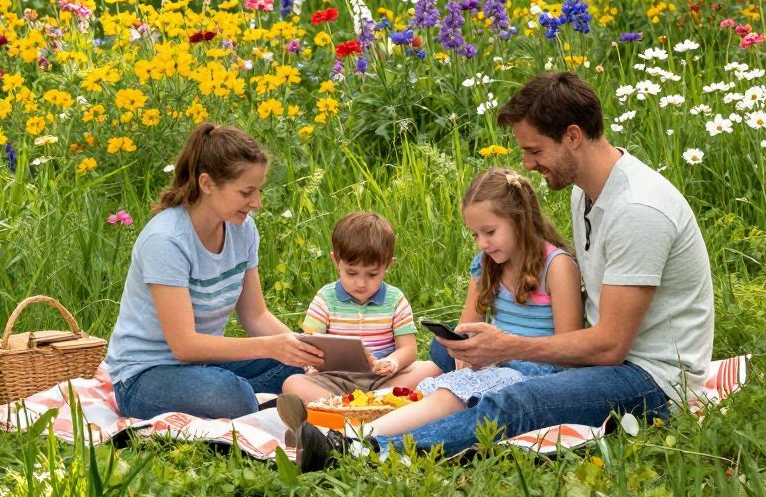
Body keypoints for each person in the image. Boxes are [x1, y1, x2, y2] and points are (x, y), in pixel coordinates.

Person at [285, 71, 714, 467]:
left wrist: (509, 348)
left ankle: (364, 451)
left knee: (514, 399)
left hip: (651, 379)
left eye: (534, 150)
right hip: (604, 362)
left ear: (573, 136)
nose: (526, 164)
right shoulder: (586, 194)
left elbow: (610, 347)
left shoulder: (637, 209)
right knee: (447, 352)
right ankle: (383, 415)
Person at [104, 123, 324, 419]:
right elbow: (184, 346)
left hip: (202, 367)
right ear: (207, 184)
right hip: (145, 376)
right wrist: (271, 347)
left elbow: (255, 316)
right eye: (247, 192)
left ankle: (266, 395)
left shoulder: (242, 230)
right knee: (229, 395)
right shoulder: (166, 240)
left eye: (258, 190)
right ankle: (262, 398)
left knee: (296, 364)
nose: (257, 203)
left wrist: (306, 351)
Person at [366, 168, 583, 439]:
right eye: (474, 235)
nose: (482, 243)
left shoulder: (556, 266)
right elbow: (468, 325)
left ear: (521, 219)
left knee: (449, 397)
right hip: (494, 364)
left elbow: (571, 352)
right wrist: (463, 351)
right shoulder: (486, 264)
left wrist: (502, 353)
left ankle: (362, 436)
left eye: (489, 231)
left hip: (538, 373)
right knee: (439, 377)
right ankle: (363, 427)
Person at [278, 211, 437, 403]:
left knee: (432, 368)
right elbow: (309, 343)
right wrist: (313, 367)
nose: (361, 283)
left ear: (388, 265)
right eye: (351, 273)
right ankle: (343, 404)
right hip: (335, 379)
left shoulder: (395, 300)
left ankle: (367, 402)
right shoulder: (325, 299)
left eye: (372, 275)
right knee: (292, 383)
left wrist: (392, 362)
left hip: (382, 380)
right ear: (336, 261)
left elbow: (409, 349)